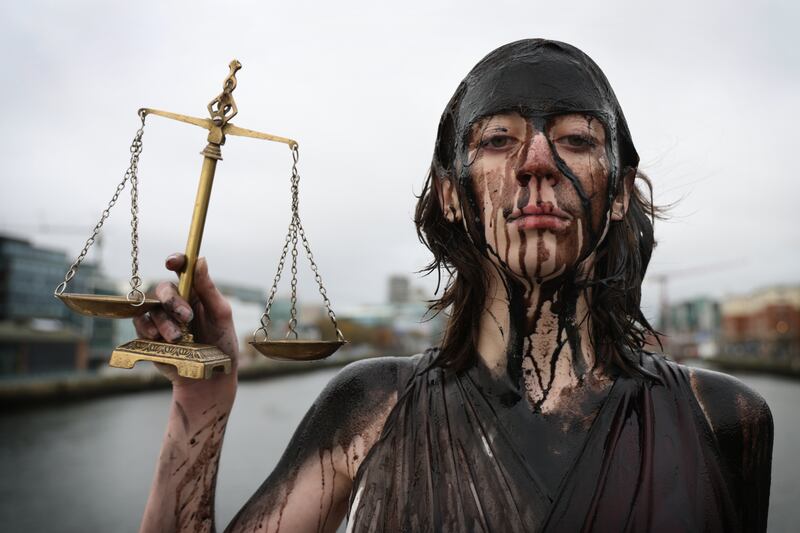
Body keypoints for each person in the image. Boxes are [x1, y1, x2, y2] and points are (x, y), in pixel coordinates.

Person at [136, 39, 773, 533]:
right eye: (499, 139)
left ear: (617, 194)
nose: (538, 162)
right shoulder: (373, 407)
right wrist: (203, 399)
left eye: (578, 139)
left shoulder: (723, 420)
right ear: (451, 194)